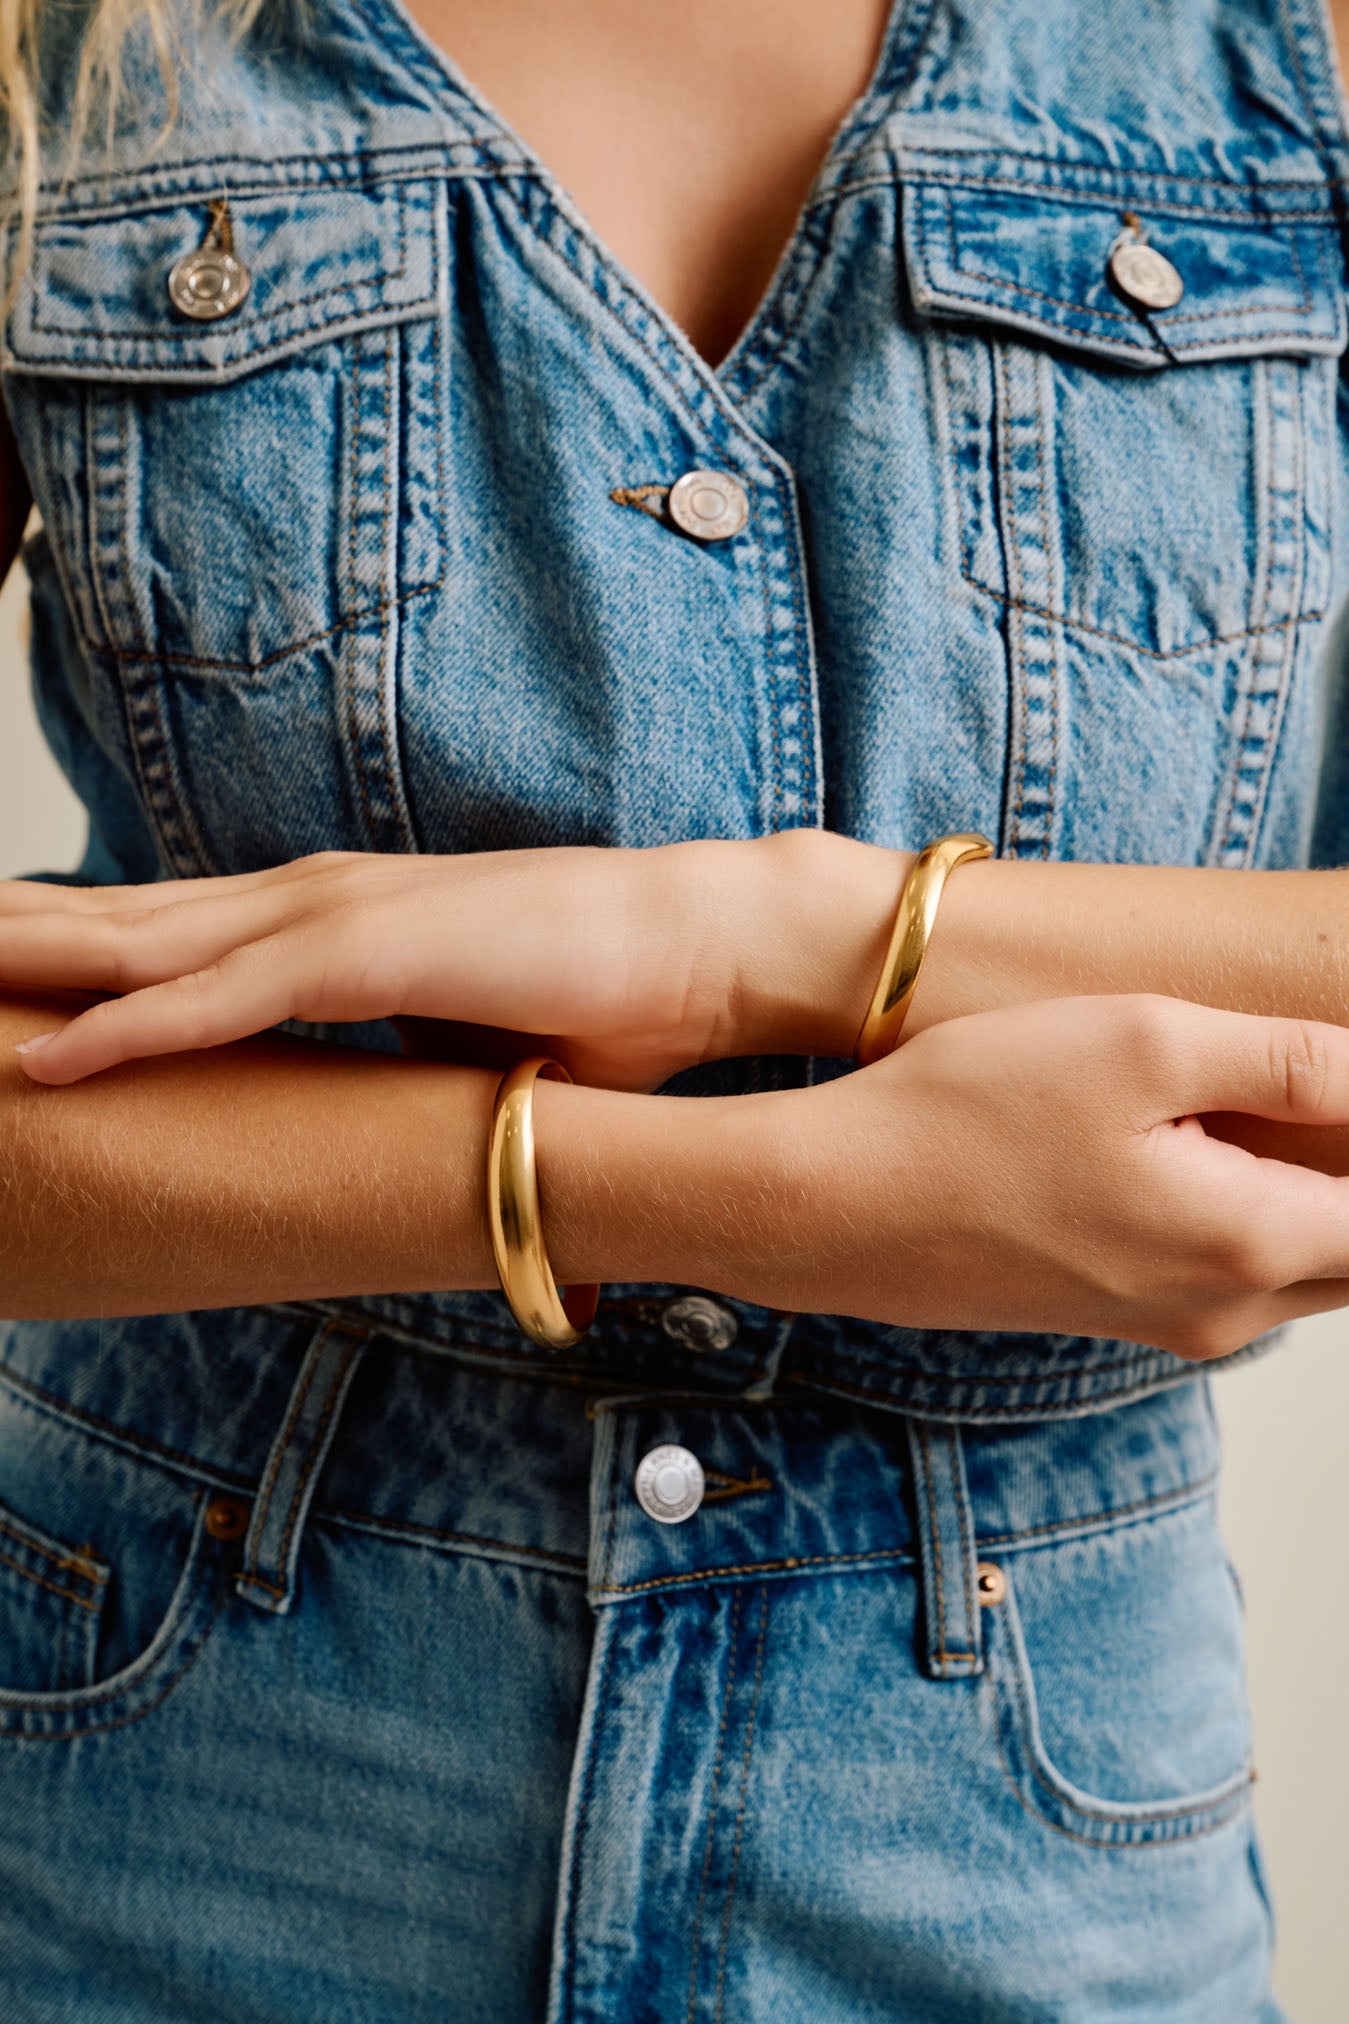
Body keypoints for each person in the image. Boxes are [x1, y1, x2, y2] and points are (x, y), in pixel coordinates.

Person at [1, 0, 1348, 2014]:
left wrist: (758, 939)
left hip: (1032, 1869)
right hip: (175, 1810)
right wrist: (698, 1187)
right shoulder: (68, 47)